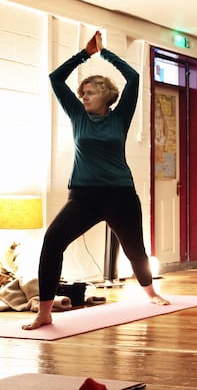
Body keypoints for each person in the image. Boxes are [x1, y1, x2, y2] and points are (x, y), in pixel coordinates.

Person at [24, 31, 169, 330]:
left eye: (89, 92)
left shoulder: (120, 117)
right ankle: (44, 313)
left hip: (120, 195)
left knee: (135, 250)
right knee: (52, 242)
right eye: (82, 94)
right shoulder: (78, 115)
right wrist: (83, 54)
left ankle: (151, 292)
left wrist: (104, 54)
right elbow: (55, 78)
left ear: (105, 94)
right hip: (84, 197)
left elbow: (134, 77)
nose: (83, 97)